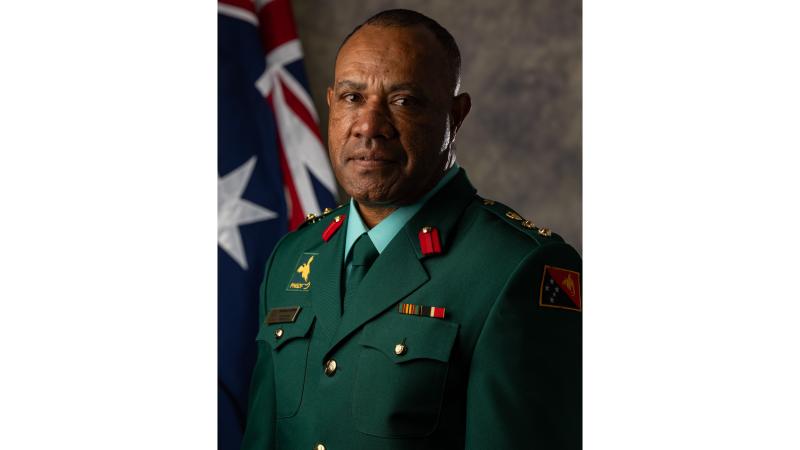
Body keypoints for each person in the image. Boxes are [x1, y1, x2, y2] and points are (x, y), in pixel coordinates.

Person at [241, 9, 581, 450]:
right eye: (351, 97)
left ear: (456, 116)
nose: (368, 125)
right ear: (330, 104)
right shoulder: (292, 256)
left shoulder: (517, 269)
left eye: (403, 101)